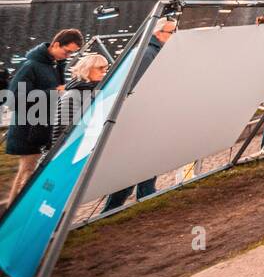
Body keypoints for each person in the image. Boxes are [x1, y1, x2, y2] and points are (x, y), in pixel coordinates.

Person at [100, 19, 176, 213]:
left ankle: (145, 196)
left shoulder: (155, 51)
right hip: (140, 119)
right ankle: (118, 206)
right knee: (134, 164)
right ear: (159, 33)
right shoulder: (147, 53)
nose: (175, 36)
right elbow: (137, 88)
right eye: (172, 32)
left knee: (144, 161)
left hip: (148, 117)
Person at [3, 28, 83, 208]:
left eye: (72, 53)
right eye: (67, 51)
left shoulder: (55, 64)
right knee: (28, 174)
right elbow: (13, 98)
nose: (68, 56)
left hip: (41, 128)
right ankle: (14, 215)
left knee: (28, 173)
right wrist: (54, 92)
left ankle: (15, 212)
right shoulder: (31, 66)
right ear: (55, 44)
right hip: (28, 130)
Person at [51, 52, 109, 145]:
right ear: (87, 69)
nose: (104, 72)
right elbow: (61, 131)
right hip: (76, 151)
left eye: (105, 69)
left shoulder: (99, 93)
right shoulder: (72, 95)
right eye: (100, 68)